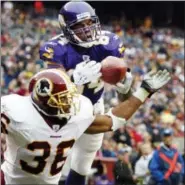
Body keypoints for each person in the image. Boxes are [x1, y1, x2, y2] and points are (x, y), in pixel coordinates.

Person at [1, 68, 170, 184]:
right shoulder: (16, 112)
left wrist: (144, 91)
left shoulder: (76, 113)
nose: (69, 103)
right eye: (62, 100)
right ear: (44, 102)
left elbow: (113, 120)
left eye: (69, 97)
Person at [39, 1, 132, 184]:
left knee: (82, 165)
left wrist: (126, 88)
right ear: (66, 28)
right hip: (62, 109)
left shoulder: (108, 43)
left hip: (93, 108)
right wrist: (71, 81)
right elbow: (49, 90)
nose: (87, 29)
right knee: (50, 165)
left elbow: (125, 100)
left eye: (90, 23)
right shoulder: (56, 48)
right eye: (79, 26)